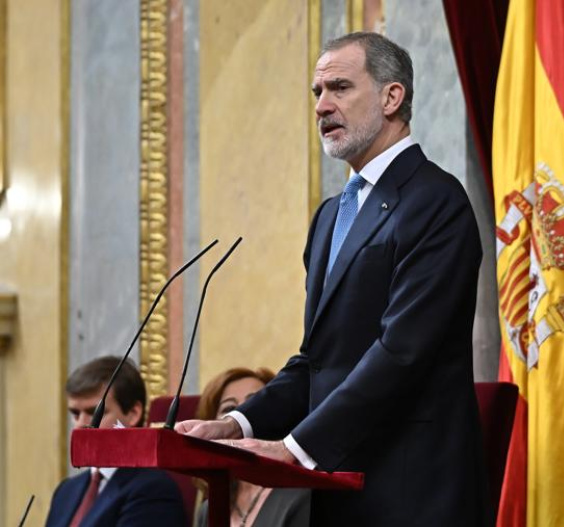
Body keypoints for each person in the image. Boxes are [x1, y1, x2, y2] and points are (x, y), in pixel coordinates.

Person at [177, 31, 490, 526]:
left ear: (392, 97)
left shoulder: (437, 202)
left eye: (340, 88)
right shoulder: (329, 217)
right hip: (341, 492)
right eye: (317, 93)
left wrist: (297, 446)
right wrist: (240, 423)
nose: (322, 105)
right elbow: (317, 359)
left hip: (413, 492)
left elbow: (402, 352)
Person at [46, 356, 186, 527]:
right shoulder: (65, 492)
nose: (81, 424)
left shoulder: (154, 490)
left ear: (133, 413)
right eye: (76, 414)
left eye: (94, 413)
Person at [193, 366, 312, 527]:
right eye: (229, 409)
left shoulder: (301, 497)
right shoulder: (208, 510)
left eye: (254, 405)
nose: (244, 415)